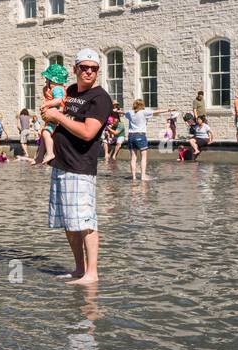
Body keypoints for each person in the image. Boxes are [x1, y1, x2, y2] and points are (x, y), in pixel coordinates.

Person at [42, 49, 112, 285]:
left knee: (85, 220)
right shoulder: (70, 92)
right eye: (84, 67)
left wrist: (57, 118)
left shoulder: (99, 98)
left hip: (80, 166)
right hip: (61, 164)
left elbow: (87, 132)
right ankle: (79, 268)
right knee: (69, 223)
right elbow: (55, 113)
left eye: (93, 68)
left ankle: (92, 273)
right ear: (75, 69)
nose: (89, 72)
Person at [38, 64, 70, 165]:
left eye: (47, 79)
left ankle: (50, 153)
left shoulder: (57, 88)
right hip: (51, 117)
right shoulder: (54, 88)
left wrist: (46, 104)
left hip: (55, 116)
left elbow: (58, 100)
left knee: (46, 134)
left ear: (53, 80)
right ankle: (39, 157)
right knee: (44, 134)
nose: (45, 81)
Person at [123, 99, 160, 181]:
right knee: (143, 157)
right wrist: (169, 110)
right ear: (142, 105)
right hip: (140, 135)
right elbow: (157, 111)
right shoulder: (144, 112)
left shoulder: (130, 112)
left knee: (133, 157)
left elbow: (122, 113)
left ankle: (134, 177)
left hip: (131, 136)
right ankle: (143, 176)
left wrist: (114, 110)